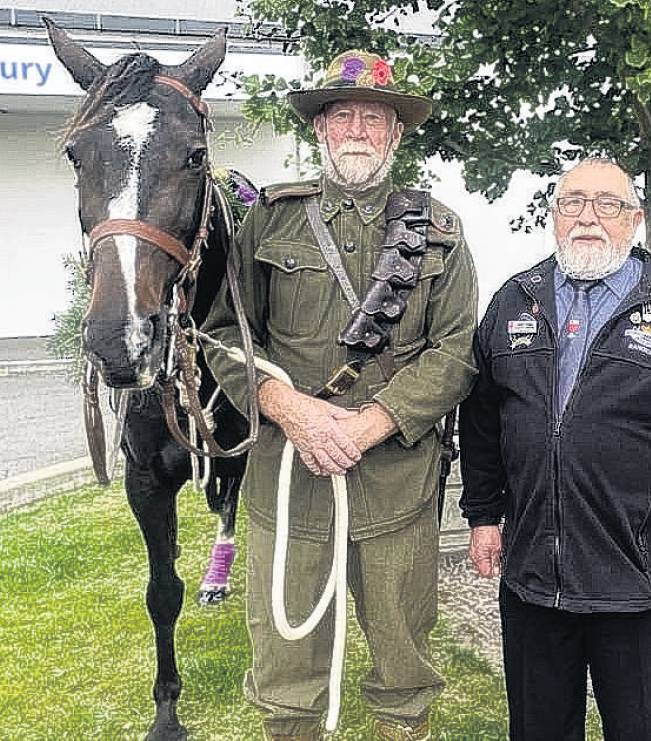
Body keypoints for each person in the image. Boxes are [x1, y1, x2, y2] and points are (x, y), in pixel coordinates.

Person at [202, 50, 478, 741]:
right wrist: (288, 408)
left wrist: (370, 423)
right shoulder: (269, 218)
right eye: (342, 115)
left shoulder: (438, 230)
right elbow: (219, 336)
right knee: (284, 650)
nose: (357, 130)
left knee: (402, 646)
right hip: (287, 477)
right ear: (320, 129)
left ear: (395, 134)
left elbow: (456, 350)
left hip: (396, 480)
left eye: (373, 118)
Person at [458, 158, 651, 741]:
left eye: (608, 204)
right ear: (553, 217)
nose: (588, 218)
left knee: (641, 729)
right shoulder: (515, 300)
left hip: (639, 582)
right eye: (573, 202)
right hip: (533, 578)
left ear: (635, 220)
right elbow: (482, 420)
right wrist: (484, 515)